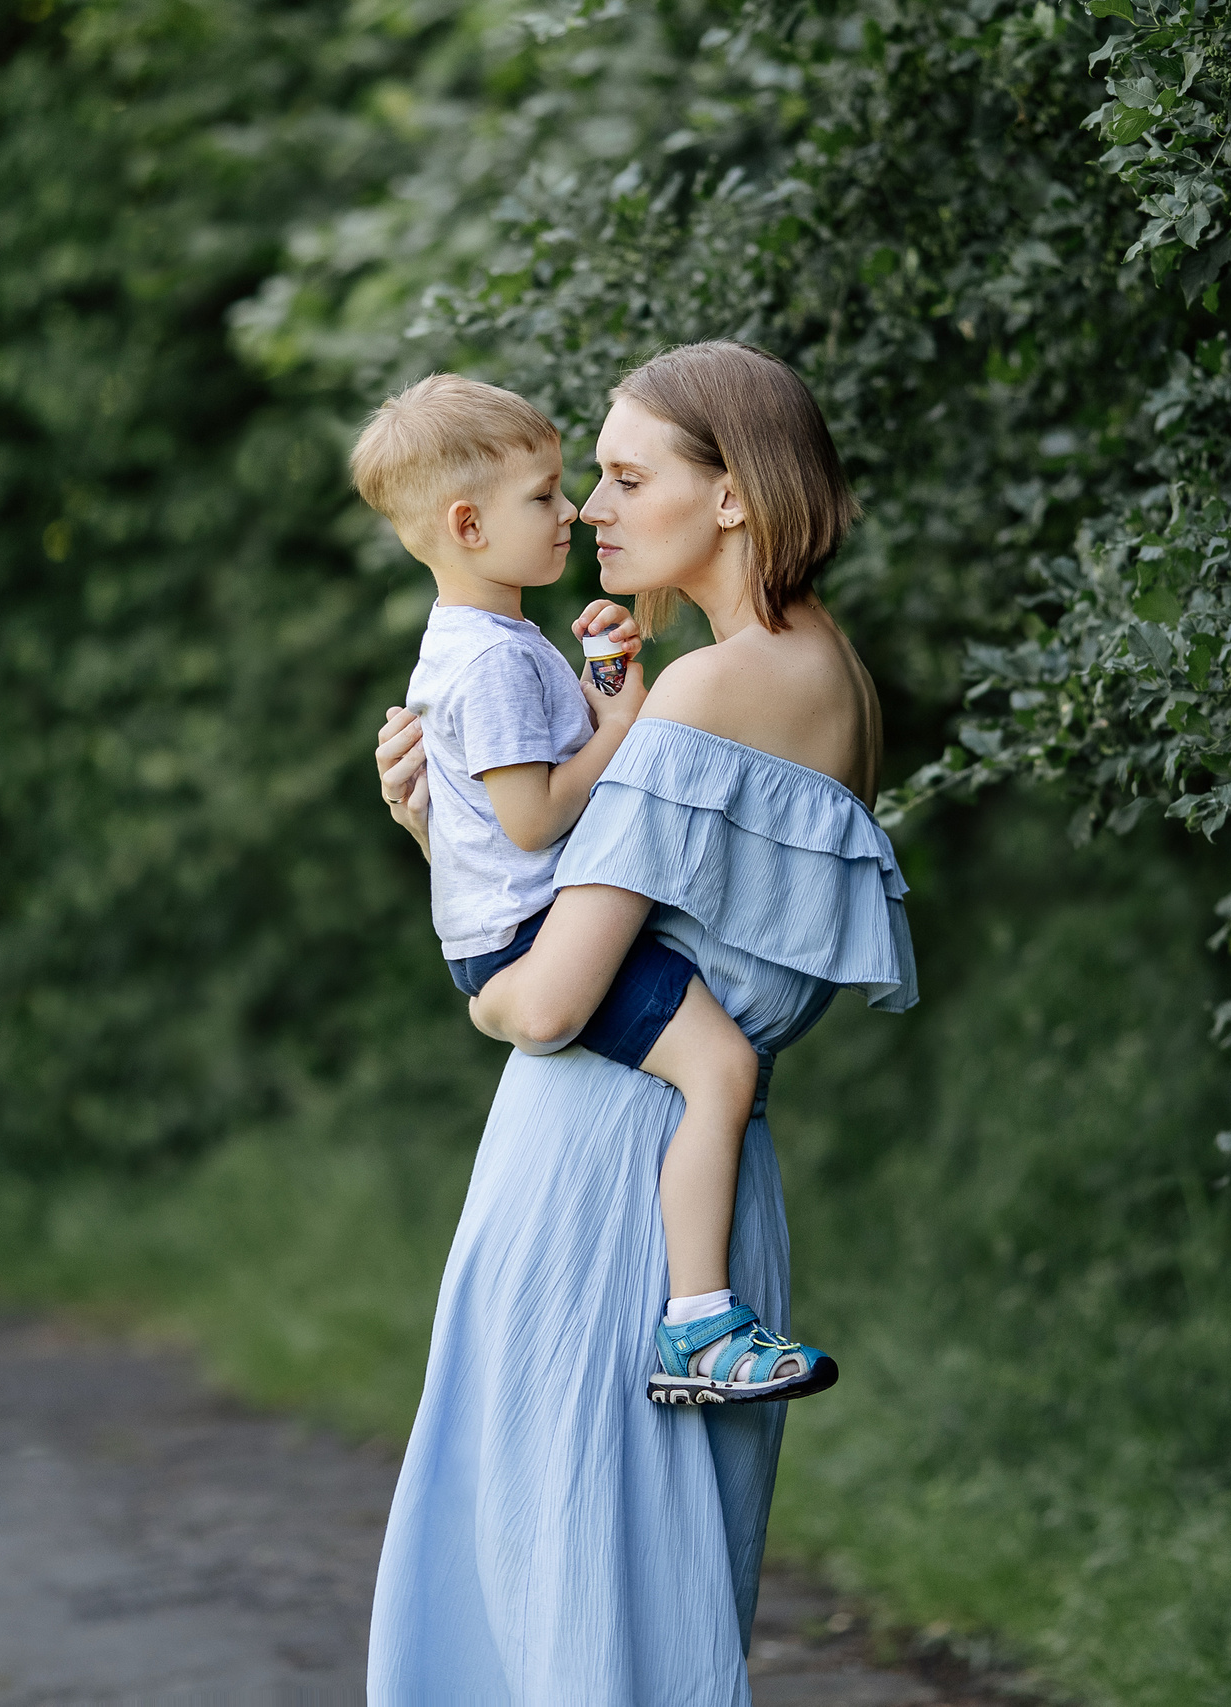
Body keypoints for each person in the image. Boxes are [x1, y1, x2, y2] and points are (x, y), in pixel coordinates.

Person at [365, 343, 917, 1704]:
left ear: (732, 496)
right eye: (587, 482)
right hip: (697, 1184)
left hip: (603, 1179)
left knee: (570, 1597)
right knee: (639, 1600)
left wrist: (477, 949)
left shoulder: (708, 692)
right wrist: (453, 823)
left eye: (624, 476)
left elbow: (547, 995)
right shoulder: (818, 667)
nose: (595, 510)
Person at [348, 373, 831, 1407]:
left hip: (538, 972)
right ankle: (700, 1323)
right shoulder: (491, 662)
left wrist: (598, 697)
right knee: (718, 1068)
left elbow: (531, 832)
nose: (579, 510)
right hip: (539, 979)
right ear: (467, 525)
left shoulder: (502, 646)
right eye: (558, 491)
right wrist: (619, 731)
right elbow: (534, 831)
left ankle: (702, 1317)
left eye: (614, 479)